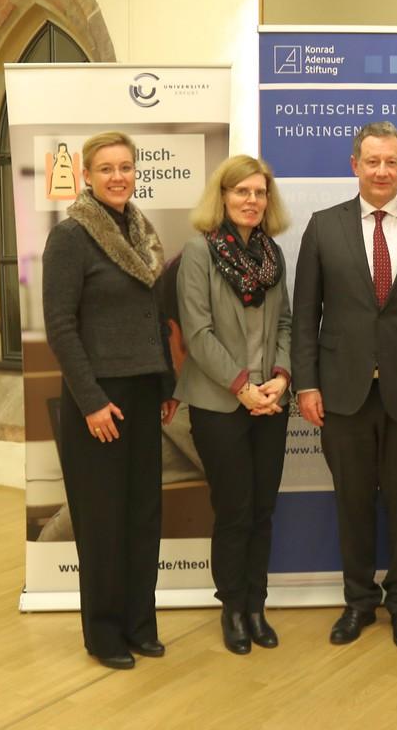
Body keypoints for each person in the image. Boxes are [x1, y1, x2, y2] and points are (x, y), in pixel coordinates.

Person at [291, 121, 397, 650]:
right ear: (354, 165)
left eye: (391, 161)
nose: (381, 171)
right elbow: (305, 315)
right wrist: (306, 385)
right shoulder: (323, 226)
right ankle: (359, 602)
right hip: (343, 392)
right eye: (372, 161)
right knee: (353, 502)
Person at [42, 131, 177, 670]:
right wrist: (92, 401)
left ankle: (140, 625)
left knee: (143, 517)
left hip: (144, 392)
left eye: (125, 167)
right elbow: (60, 327)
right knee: (102, 523)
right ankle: (104, 635)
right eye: (106, 169)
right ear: (87, 175)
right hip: (98, 400)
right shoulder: (71, 237)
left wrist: (165, 386)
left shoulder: (140, 232)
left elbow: (154, 317)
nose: (118, 177)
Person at [173, 155, 293, 655]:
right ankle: (233, 609)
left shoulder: (272, 254)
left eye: (259, 192)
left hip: (269, 402)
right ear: (222, 197)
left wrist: (281, 378)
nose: (252, 200)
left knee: (263, 510)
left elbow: (284, 323)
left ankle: (257, 605)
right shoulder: (198, 252)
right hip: (219, 403)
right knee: (234, 510)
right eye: (242, 191)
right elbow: (197, 333)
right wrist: (243, 387)